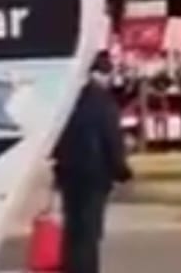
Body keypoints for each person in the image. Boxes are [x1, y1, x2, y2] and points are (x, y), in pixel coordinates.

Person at [53, 52, 132, 273]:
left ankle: (70, 267)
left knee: (73, 226)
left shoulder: (66, 99)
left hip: (69, 171)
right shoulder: (103, 102)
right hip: (95, 174)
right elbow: (111, 138)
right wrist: (122, 171)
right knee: (89, 231)